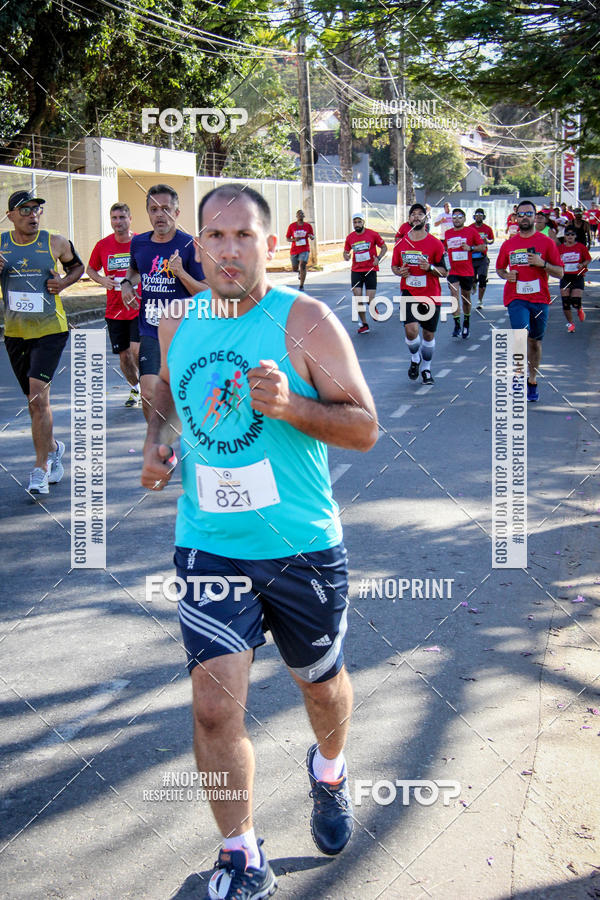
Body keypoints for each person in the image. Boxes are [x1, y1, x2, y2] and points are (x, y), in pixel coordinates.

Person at [141, 183, 378, 899]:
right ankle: (241, 854)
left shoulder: (304, 322)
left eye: (244, 236)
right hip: (208, 541)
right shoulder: (177, 322)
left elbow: (363, 427)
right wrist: (159, 443)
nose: (229, 250)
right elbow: (164, 394)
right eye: (215, 236)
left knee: (321, 686)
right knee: (214, 705)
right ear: (198, 245)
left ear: (268, 245)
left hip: (302, 544)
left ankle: (329, 769)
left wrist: (293, 406)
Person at [0, 190, 84, 495]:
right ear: (10, 216)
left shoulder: (55, 242)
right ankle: (54, 447)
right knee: (34, 403)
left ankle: (40, 468)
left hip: (51, 330)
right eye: (25, 210)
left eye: (36, 209)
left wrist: (63, 283)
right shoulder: (1, 245)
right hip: (15, 332)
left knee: (38, 399)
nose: (33, 215)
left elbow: (77, 266)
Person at [121, 184, 205, 422]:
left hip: (184, 331)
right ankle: (157, 443)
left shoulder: (190, 246)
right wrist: (127, 284)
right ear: (148, 213)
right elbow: (136, 270)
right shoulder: (139, 243)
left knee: (185, 394)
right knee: (148, 392)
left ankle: (190, 439)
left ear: (177, 213)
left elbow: (207, 291)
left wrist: (181, 274)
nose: (160, 215)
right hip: (150, 330)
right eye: (154, 209)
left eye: (166, 209)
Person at [496, 200, 563, 402]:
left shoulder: (547, 243)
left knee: (535, 342)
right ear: (516, 218)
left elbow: (560, 273)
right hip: (516, 297)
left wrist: (542, 264)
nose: (525, 217)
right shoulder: (509, 244)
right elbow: (500, 269)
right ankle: (518, 376)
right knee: (520, 335)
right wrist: (507, 275)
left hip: (540, 298)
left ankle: (532, 379)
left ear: (535, 217)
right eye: (521, 214)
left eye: (529, 213)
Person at [87, 202, 142, 407]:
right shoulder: (103, 245)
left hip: (138, 307)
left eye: (122, 217)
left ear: (130, 219)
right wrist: (103, 281)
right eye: (114, 218)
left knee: (137, 351)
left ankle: (148, 386)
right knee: (124, 356)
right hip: (115, 310)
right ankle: (136, 389)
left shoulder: (140, 242)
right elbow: (91, 269)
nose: (118, 222)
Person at [391, 202, 448, 384]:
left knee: (428, 335)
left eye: (420, 214)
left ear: (426, 218)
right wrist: (399, 271)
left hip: (431, 294)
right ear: (409, 219)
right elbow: (394, 266)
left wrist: (430, 267)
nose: (416, 216)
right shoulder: (401, 244)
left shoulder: (435, 244)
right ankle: (415, 358)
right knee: (411, 329)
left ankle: (426, 369)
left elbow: (444, 272)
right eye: (413, 214)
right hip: (409, 292)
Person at [443, 208, 486, 338]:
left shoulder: (471, 231)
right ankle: (457, 325)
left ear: (464, 219)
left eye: (459, 217)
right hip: (453, 271)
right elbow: (445, 249)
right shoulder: (448, 233)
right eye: (454, 217)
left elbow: (483, 247)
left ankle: (466, 323)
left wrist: (471, 248)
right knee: (454, 295)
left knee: (465, 299)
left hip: (467, 271)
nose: (457, 219)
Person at [343, 213, 387, 334]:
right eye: (355, 222)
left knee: (369, 298)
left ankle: (373, 310)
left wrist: (378, 258)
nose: (357, 224)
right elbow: (346, 252)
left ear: (363, 222)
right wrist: (346, 256)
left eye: (359, 222)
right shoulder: (350, 237)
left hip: (370, 270)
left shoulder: (372, 234)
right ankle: (364, 324)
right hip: (356, 270)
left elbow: (384, 247)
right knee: (357, 297)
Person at [558, 225, 592, 332]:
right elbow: (555, 261)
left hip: (577, 277)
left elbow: (588, 259)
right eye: (568, 234)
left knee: (575, 301)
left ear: (575, 236)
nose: (570, 236)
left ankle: (579, 308)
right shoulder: (560, 248)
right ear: (565, 236)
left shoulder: (581, 247)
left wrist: (582, 264)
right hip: (565, 277)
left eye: (572, 234)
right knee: (566, 302)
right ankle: (570, 324)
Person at [470, 208, 494, 309]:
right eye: (477, 215)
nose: (478, 217)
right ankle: (473, 284)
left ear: (483, 217)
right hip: (471, 257)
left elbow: (492, 240)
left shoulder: (487, 228)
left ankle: (480, 301)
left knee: (483, 279)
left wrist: (487, 241)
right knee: (471, 279)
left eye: (480, 215)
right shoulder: (470, 228)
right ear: (474, 216)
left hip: (482, 257)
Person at [286, 209, 314, 290]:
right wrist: (294, 240)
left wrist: (311, 236)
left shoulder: (308, 226)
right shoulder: (292, 226)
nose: (300, 215)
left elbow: (312, 236)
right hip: (294, 249)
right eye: (299, 214)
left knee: (302, 264)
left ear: (304, 216)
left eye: (302, 214)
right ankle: (299, 272)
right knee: (294, 268)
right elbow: (288, 238)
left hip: (304, 249)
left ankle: (301, 285)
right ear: (296, 216)